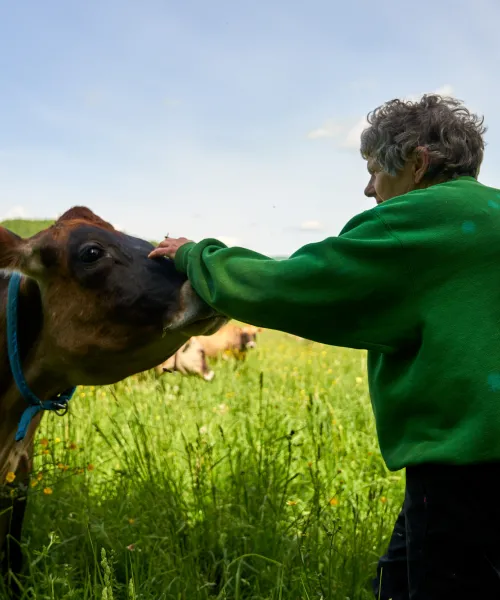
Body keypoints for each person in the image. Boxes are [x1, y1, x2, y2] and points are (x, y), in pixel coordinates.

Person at [148, 94, 500, 599]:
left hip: (465, 471)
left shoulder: (416, 222)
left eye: (375, 169)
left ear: (418, 164)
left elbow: (292, 286)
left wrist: (197, 256)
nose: (368, 187)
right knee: (399, 578)